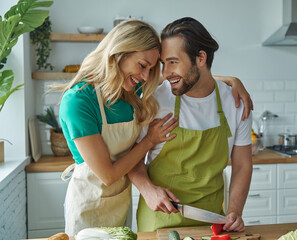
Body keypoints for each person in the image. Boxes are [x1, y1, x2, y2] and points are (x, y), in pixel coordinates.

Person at [58, 19, 252, 236]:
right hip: (93, 205)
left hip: (125, 206)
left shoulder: (129, 89)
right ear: (119, 53)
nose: (148, 75)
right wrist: (149, 147)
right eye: (145, 66)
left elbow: (192, 78)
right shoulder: (81, 101)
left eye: (151, 69)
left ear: (201, 58)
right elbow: (110, 174)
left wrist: (232, 80)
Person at [128, 17, 253, 233]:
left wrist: (234, 211)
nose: (166, 73)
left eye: (173, 62)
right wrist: (148, 190)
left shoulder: (235, 104)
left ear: (201, 58)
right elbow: (132, 156)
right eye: (163, 64)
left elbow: (242, 166)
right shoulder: (154, 100)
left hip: (211, 220)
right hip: (160, 220)